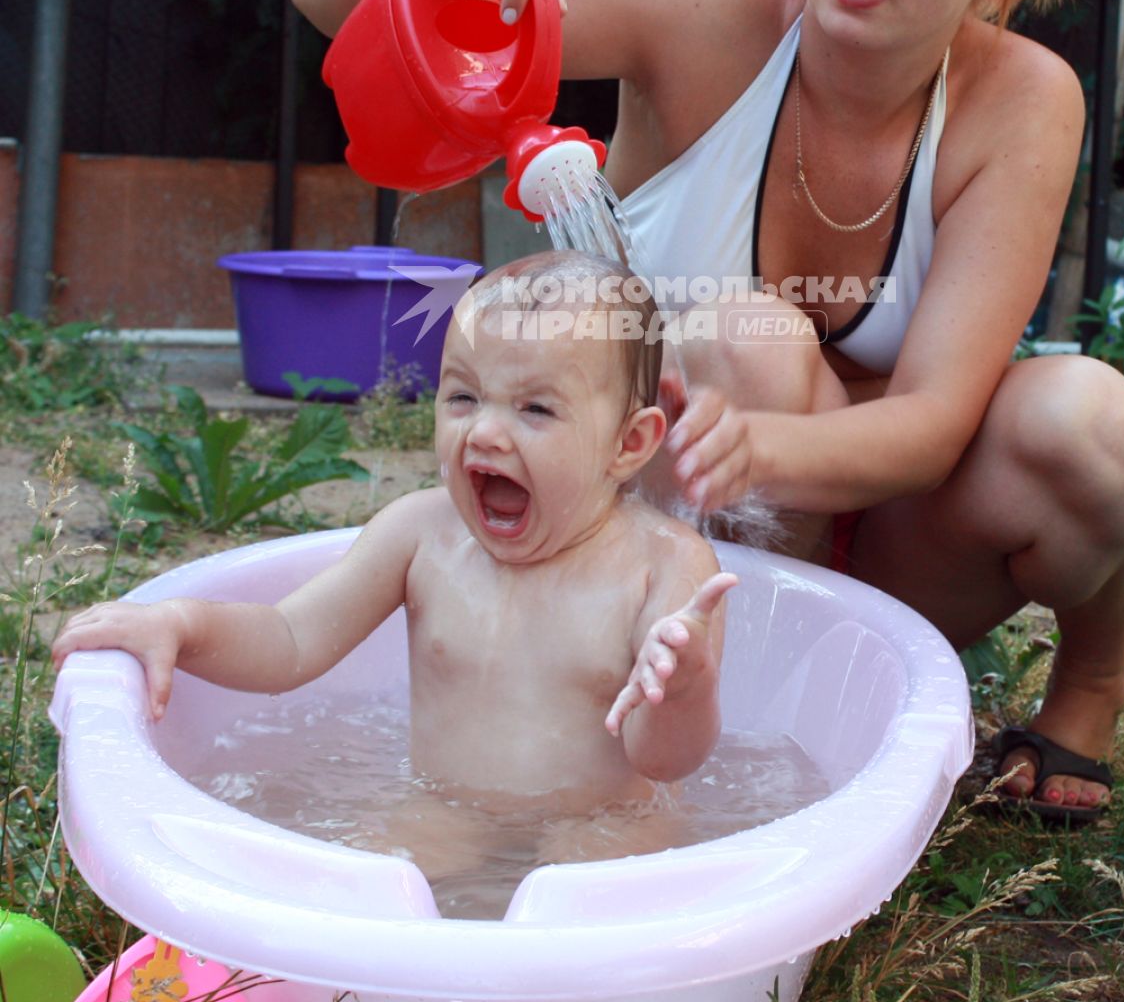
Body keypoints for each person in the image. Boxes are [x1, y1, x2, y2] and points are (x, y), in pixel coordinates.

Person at [292, 0, 1124, 825]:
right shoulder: (697, 4)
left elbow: (938, 421)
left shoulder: (1021, 102)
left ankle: (1087, 686)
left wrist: (762, 449)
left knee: (1102, 430)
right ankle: (717, 712)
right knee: (739, 339)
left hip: (891, 547)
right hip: (640, 544)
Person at [53, 253, 737, 880]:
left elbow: (665, 759)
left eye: (535, 408)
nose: (486, 431)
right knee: (363, 876)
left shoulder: (664, 566)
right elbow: (291, 639)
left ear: (630, 441)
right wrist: (181, 624)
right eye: (463, 396)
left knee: (593, 900)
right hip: (446, 805)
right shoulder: (420, 536)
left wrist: (680, 689)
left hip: (606, 822)